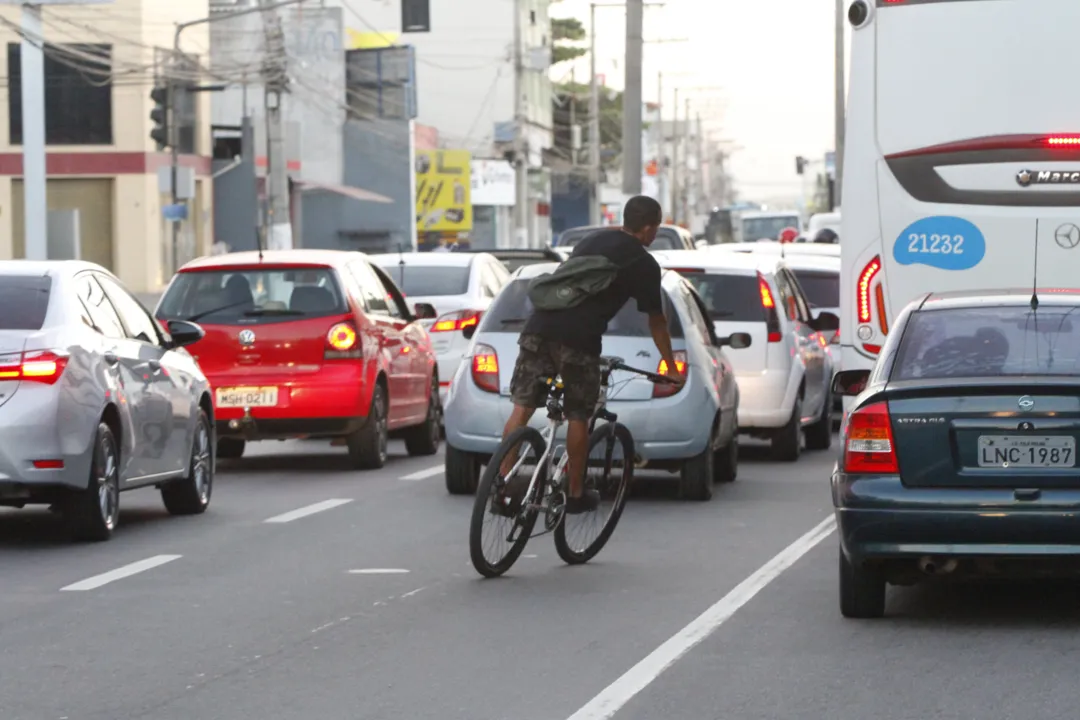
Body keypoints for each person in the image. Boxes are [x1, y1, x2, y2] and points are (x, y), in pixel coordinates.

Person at [495, 196, 684, 516]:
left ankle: (500, 485)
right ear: (650, 228)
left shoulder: (593, 239)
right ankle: (577, 492)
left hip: (538, 327)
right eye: (656, 227)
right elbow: (657, 321)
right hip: (578, 339)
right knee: (578, 414)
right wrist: (669, 365)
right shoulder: (644, 264)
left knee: (522, 407)